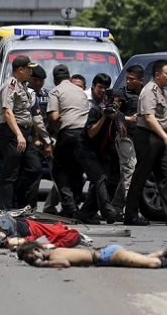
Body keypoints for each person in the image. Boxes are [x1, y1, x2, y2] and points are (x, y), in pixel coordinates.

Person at [124, 59, 167, 226]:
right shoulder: (149, 91)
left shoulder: (164, 93)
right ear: (157, 75)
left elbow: (166, 121)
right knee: (141, 176)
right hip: (147, 137)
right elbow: (149, 118)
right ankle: (131, 214)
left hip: (161, 138)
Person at [0, 55, 52, 211]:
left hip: (25, 133)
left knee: (34, 168)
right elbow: (7, 112)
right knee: (10, 173)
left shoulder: (23, 86)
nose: (30, 72)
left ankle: (19, 202)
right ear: (20, 70)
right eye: (28, 69)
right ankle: (4, 208)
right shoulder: (10, 85)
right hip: (12, 133)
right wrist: (19, 135)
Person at [75, 76, 120, 224]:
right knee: (100, 178)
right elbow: (91, 133)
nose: (102, 91)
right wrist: (104, 117)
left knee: (105, 181)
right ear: (93, 87)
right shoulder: (95, 110)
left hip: (102, 152)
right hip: (86, 151)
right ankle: (107, 211)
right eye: (100, 87)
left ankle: (86, 213)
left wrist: (116, 116)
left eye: (105, 89)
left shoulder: (111, 110)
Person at [47, 64, 90, 219]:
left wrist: (53, 128)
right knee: (77, 170)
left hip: (67, 134)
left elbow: (54, 117)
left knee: (59, 170)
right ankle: (75, 204)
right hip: (84, 135)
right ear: (69, 77)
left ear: (54, 80)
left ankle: (69, 206)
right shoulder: (80, 91)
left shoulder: (55, 91)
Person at [111, 65, 145, 221]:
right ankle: (130, 211)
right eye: (127, 78)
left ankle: (116, 207)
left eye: (132, 79)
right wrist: (128, 119)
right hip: (124, 136)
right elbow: (112, 111)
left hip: (140, 138)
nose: (128, 81)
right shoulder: (121, 94)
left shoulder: (146, 93)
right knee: (130, 169)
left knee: (129, 172)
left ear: (140, 80)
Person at [17, 240, 167, 269]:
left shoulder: (54, 256)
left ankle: (164, 260)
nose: (34, 261)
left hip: (108, 256)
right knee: (146, 258)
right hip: (107, 252)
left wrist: (42, 264)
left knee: (152, 263)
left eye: (32, 258)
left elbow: (65, 264)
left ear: (36, 250)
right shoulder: (55, 249)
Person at [28, 66, 59, 216]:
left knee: (59, 175)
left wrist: (50, 141)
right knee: (33, 175)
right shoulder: (24, 94)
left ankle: (51, 206)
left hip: (48, 140)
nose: (39, 83)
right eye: (35, 80)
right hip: (31, 141)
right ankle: (30, 207)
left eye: (41, 81)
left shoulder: (48, 95)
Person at [0, 213, 81, 249]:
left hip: (10, 227)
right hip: (11, 225)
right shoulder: (68, 233)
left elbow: (39, 240)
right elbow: (73, 237)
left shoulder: (52, 234)